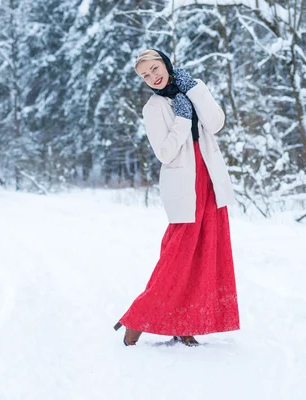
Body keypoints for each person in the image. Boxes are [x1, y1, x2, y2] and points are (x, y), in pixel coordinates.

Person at [114, 49, 240, 347]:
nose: (153, 77)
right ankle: (137, 319)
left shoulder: (192, 88)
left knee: (207, 253)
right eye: (146, 75)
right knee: (179, 254)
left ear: (167, 65)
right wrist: (182, 119)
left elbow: (217, 123)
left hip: (209, 179)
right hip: (185, 184)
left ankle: (185, 323)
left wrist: (194, 90)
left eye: (155, 68)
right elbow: (165, 153)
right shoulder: (153, 107)